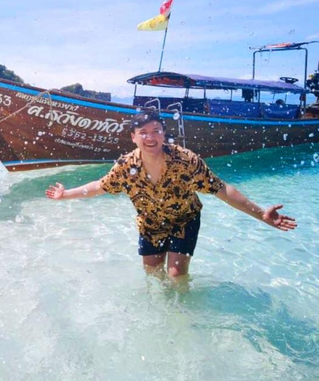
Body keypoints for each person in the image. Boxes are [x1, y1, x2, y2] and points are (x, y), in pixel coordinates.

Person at [45, 109, 296, 280]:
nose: (150, 137)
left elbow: (221, 189)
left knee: (176, 276)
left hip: (185, 221)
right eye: (143, 132)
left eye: (156, 130)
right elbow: (100, 186)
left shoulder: (185, 160)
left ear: (164, 134)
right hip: (150, 224)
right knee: (153, 276)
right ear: (133, 138)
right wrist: (65, 195)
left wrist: (261, 213)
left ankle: (185, 317)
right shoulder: (126, 167)